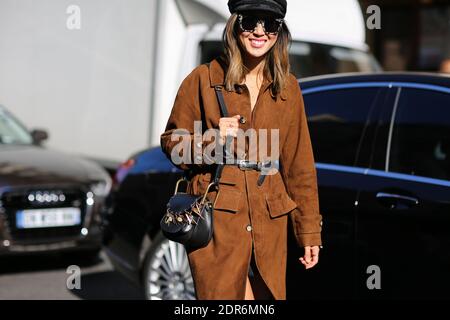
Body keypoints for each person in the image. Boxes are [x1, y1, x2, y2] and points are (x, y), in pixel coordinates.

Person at [160, 0, 322, 300]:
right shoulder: (203, 80)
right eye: (251, 22)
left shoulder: (288, 89)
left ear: (279, 32)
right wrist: (212, 139)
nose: (259, 31)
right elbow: (172, 145)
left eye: (270, 23)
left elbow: (299, 165)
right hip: (219, 220)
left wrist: (309, 230)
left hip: (269, 219)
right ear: (235, 25)